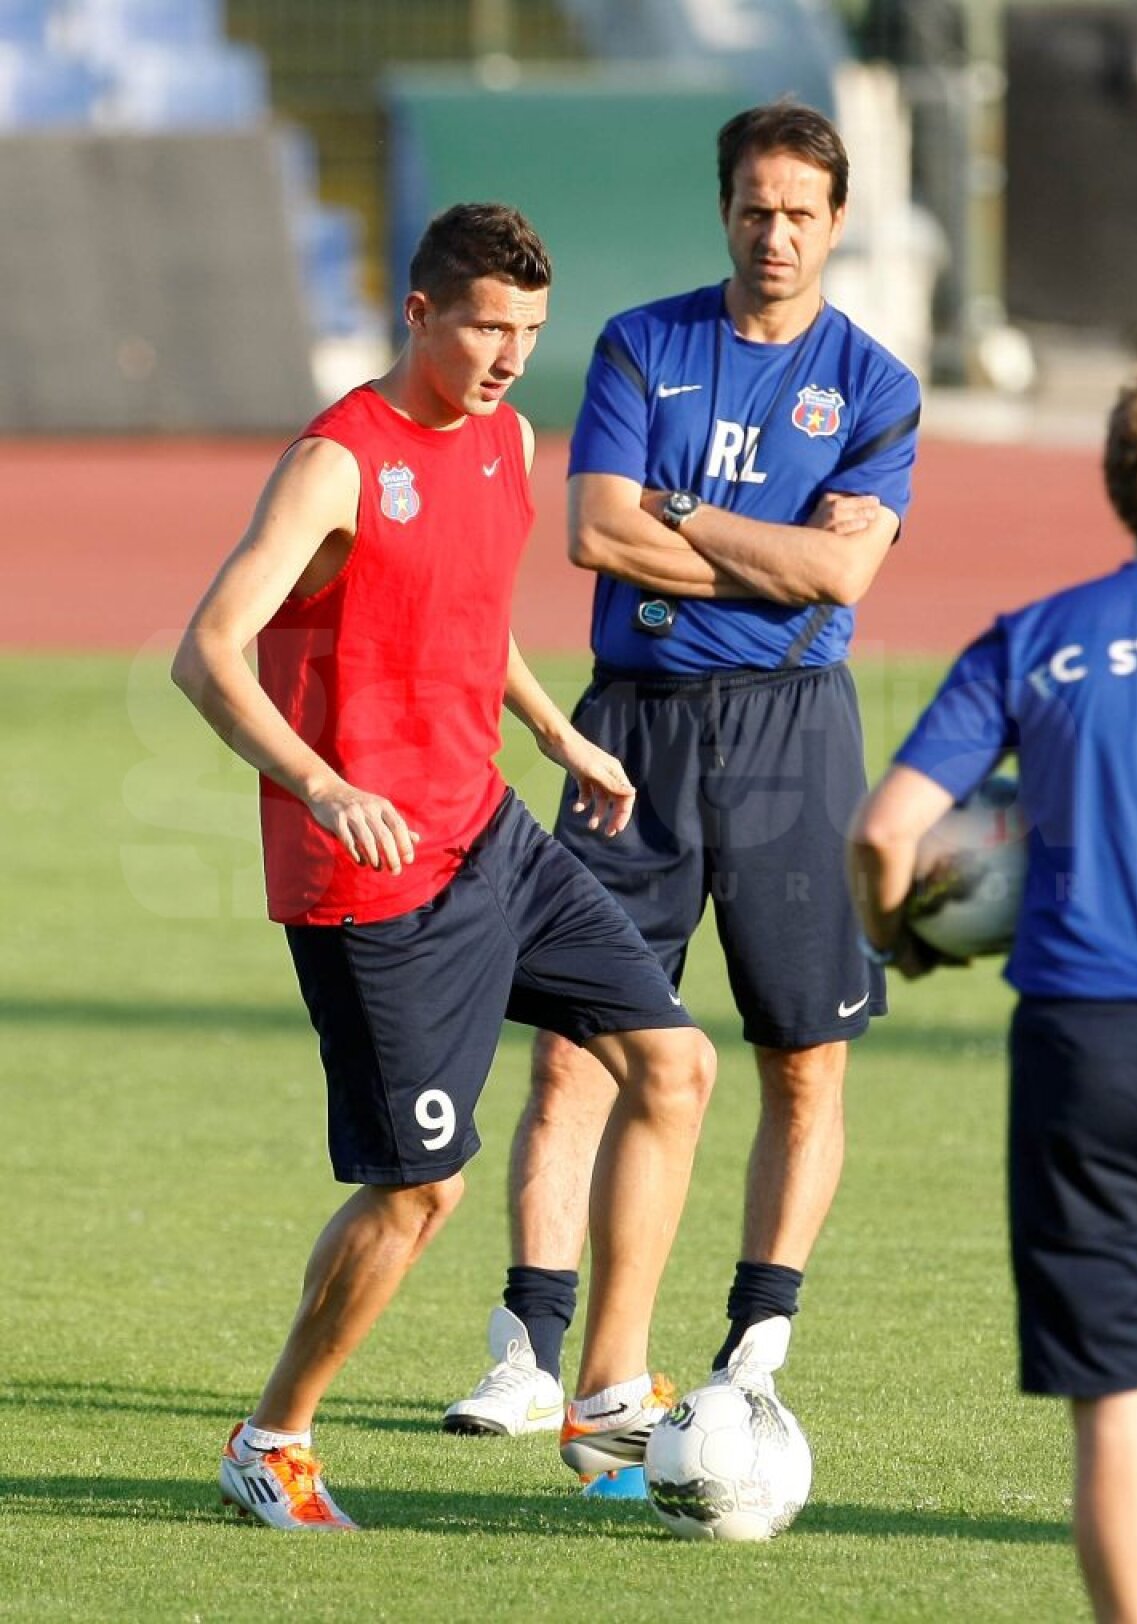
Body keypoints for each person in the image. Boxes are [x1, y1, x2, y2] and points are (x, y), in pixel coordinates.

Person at [171, 201, 717, 1530]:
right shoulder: (337, 463)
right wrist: (320, 781)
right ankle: (275, 1436)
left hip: (490, 837)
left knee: (676, 1062)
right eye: (485, 324)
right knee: (422, 1190)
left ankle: (601, 1406)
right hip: (368, 882)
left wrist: (549, 730)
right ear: (420, 313)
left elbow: (467, 615)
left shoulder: (508, 441)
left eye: (530, 329)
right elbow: (208, 653)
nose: (509, 353)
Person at [444, 101, 921, 1441]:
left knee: (803, 1060)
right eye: (755, 208)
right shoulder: (643, 344)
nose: (776, 233)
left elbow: (842, 577)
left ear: (836, 223)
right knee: (574, 1060)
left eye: (801, 213)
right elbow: (597, 532)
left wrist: (681, 512)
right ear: (724, 210)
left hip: (793, 735)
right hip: (633, 733)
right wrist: (766, 550)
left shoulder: (876, 385)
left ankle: (750, 1352)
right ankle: (529, 1355)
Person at [846, 362, 1137, 1623]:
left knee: (1120, 1420)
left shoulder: (1037, 636)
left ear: (1116, 481)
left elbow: (889, 834)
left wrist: (905, 939)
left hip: (1085, 1052)